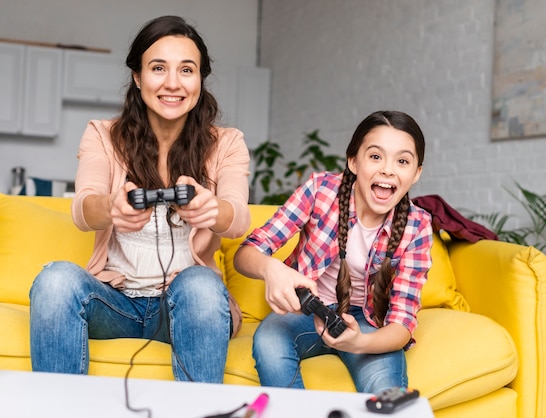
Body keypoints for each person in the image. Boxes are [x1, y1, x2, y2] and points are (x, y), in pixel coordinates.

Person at [29, 15, 251, 383]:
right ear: (137, 76)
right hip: (114, 302)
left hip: (185, 304)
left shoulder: (227, 143)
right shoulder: (102, 135)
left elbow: (239, 217)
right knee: (54, 280)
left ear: (200, 79)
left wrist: (213, 209)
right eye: (158, 68)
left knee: (200, 284)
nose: (172, 83)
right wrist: (111, 208)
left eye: (187, 70)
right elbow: (83, 208)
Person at [234, 110, 433, 393]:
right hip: (308, 310)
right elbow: (247, 252)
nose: (388, 169)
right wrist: (271, 269)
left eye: (402, 161)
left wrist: (360, 343)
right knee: (269, 339)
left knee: (386, 395)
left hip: (368, 320)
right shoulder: (320, 191)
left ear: (416, 174)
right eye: (375, 156)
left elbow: (401, 324)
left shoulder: (418, 226)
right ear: (353, 161)